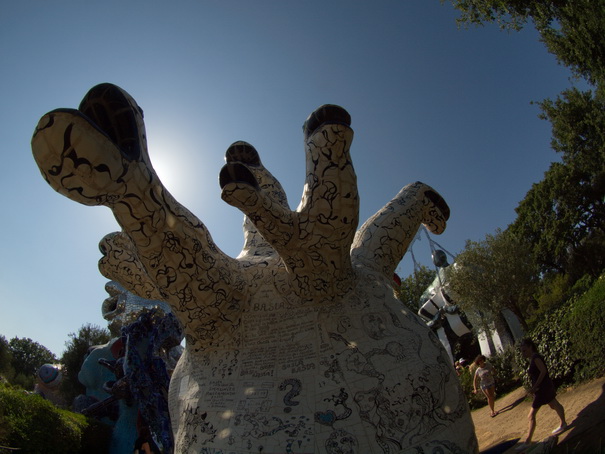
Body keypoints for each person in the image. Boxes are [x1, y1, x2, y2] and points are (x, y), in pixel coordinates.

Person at [516, 338, 567, 451]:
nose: (523, 353)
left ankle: (528, 441)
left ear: (530, 347)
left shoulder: (535, 357)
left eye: (524, 350)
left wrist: (535, 387)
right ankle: (563, 423)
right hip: (543, 388)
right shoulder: (534, 358)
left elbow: (543, 371)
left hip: (542, 389)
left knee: (531, 415)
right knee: (554, 404)